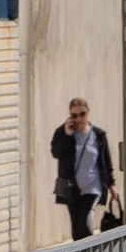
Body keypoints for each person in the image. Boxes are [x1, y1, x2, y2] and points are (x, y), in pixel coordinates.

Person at [49, 97, 117, 240]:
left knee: (85, 224)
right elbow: (56, 153)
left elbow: (106, 161)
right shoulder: (63, 133)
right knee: (76, 228)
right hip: (72, 189)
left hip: (93, 187)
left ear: (88, 112)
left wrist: (111, 185)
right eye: (74, 115)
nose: (79, 118)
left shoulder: (98, 135)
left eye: (82, 114)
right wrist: (67, 135)